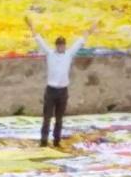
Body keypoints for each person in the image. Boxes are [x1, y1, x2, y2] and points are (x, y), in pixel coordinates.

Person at [25, 15, 98, 147]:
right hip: (51, 90)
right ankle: (43, 140)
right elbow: (38, 38)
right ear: (56, 46)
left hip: (63, 91)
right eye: (59, 45)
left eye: (62, 45)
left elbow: (82, 38)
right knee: (47, 117)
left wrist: (92, 27)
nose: (61, 47)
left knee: (59, 118)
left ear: (64, 45)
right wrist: (31, 26)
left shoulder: (69, 54)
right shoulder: (49, 53)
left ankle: (57, 140)